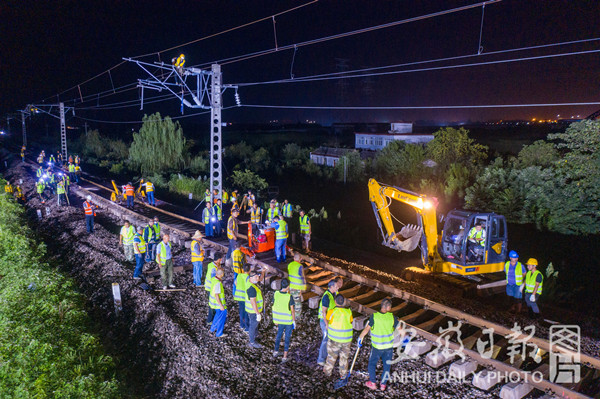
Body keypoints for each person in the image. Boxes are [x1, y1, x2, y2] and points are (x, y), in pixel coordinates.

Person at [358, 298, 398, 391]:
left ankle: (373, 383)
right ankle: (383, 385)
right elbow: (401, 330)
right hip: (388, 347)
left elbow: (366, 329)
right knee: (387, 366)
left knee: (372, 364)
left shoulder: (374, 317)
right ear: (387, 307)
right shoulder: (392, 317)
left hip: (377, 347)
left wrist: (360, 339)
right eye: (390, 306)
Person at [323, 295, 354, 380]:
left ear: (335, 302)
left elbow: (327, 319)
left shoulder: (331, 311)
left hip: (334, 339)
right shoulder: (349, 312)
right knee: (344, 358)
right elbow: (351, 321)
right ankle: (343, 375)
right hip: (346, 340)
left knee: (331, 356)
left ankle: (327, 372)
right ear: (344, 302)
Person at [272, 278, 296, 362]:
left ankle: (275, 351)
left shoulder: (276, 293)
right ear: (288, 286)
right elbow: (292, 310)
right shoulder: (289, 297)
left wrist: (275, 320)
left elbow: (274, 306)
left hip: (279, 320)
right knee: (287, 338)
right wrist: (294, 321)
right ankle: (285, 357)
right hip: (288, 321)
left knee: (279, 335)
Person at [317, 279, 340, 366]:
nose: (338, 288)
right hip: (325, 320)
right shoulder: (326, 297)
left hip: (331, 320)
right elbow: (324, 312)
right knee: (326, 339)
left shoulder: (334, 294)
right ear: (331, 287)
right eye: (336, 286)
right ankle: (321, 359)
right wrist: (326, 324)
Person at [245, 271, 264, 348]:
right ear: (251, 278)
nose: (258, 278)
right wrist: (258, 313)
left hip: (252, 310)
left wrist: (263, 272)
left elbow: (259, 279)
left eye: (257, 276)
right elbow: (253, 302)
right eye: (256, 277)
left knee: (254, 325)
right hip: (253, 311)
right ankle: (252, 342)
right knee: (253, 325)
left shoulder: (249, 282)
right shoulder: (252, 288)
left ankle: (255, 336)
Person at [209, 268, 228, 338]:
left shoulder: (214, 279)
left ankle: (212, 329)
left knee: (217, 316)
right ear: (222, 274)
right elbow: (217, 295)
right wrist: (221, 305)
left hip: (214, 304)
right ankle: (219, 333)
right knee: (221, 319)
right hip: (219, 305)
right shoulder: (218, 283)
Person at [205, 257, 223, 322]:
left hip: (209, 287)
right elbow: (213, 278)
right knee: (212, 305)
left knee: (212, 304)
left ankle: (212, 319)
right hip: (210, 288)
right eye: (220, 259)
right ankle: (209, 320)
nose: (221, 260)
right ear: (218, 259)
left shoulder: (210, 264)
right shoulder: (213, 269)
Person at [234, 263, 251, 332]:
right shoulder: (248, 277)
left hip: (238, 296)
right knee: (246, 312)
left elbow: (235, 283)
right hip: (245, 297)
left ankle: (241, 325)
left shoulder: (239, 275)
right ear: (249, 270)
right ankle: (247, 328)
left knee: (241, 311)